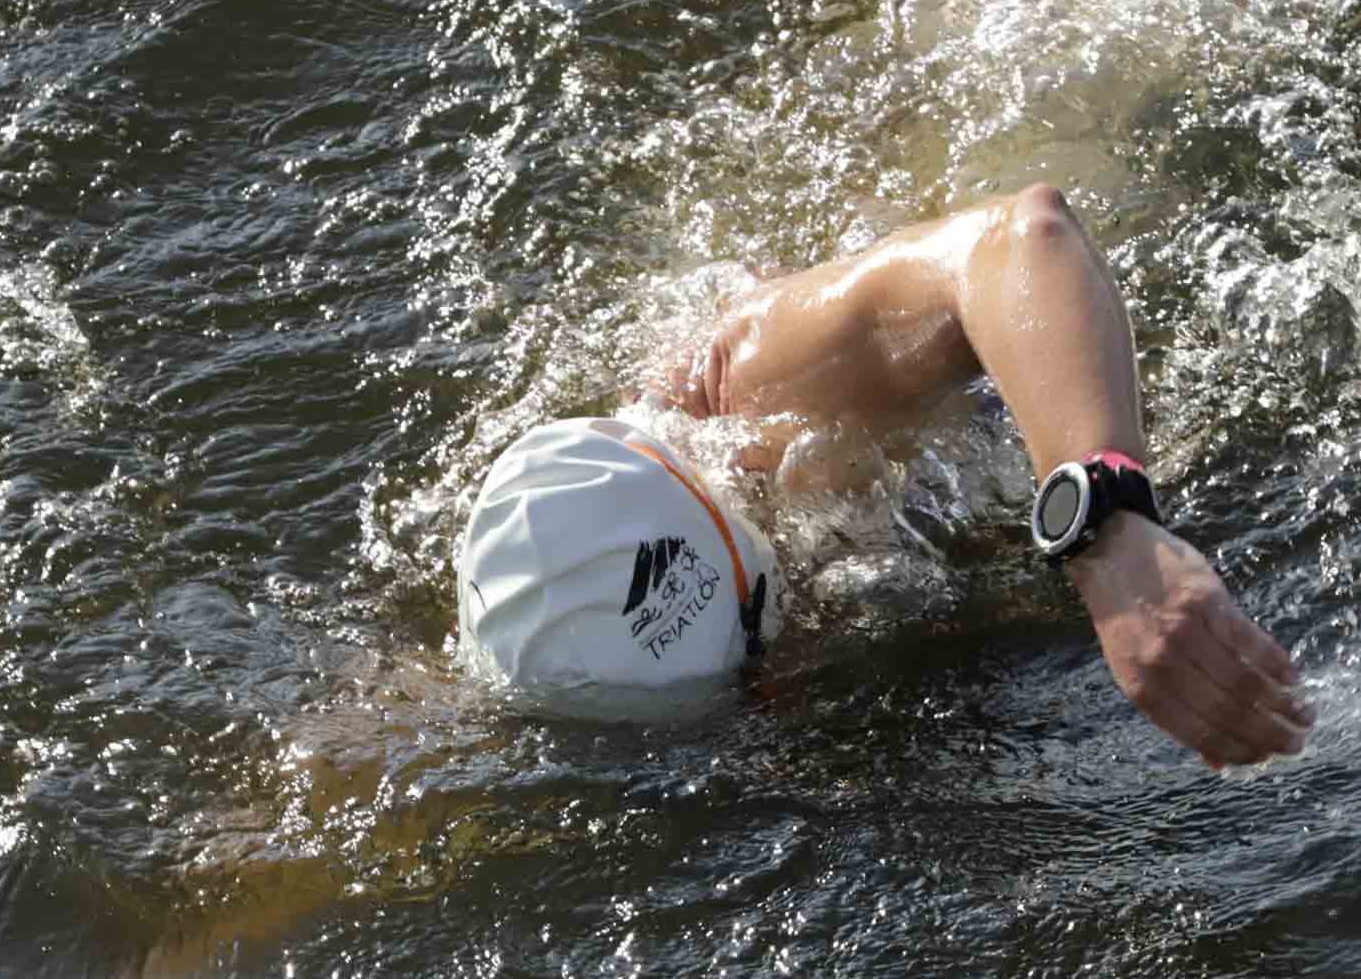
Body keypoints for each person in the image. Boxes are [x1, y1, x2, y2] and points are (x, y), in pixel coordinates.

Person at [455, 183, 1313, 769]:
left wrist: (1107, 528)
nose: (773, 691)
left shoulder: (760, 396)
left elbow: (1027, 237)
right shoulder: (545, 616)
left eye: (750, 662)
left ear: (742, 567)